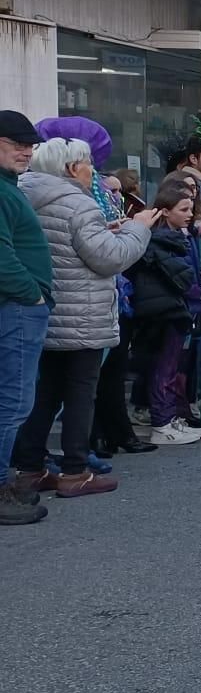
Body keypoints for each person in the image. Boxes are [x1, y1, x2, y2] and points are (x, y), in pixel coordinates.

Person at [10, 137, 154, 498]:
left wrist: (107, 232)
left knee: (44, 393)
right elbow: (108, 258)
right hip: (82, 313)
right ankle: (76, 470)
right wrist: (139, 228)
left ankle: (29, 466)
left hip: (46, 309)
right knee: (79, 393)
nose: (95, 172)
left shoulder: (24, 195)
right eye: (89, 163)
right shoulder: (78, 204)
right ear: (73, 168)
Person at [124, 184, 201, 445]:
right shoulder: (162, 240)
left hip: (171, 310)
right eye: (183, 209)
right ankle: (162, 423)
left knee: (169, 368)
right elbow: (182, 279)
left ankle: (168, 417)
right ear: (165, 211)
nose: (190, 215)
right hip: (166, 313)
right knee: (163, 369)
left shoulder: (174, 238)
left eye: (191, 209)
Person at [0, 112, 51, 525]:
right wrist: (32, 294)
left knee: (14, 400)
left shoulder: (8, 188)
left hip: (19, 307)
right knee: (13, 402)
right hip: (16, 307)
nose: (26, 150)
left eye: (30, 144)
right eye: (15, 143)